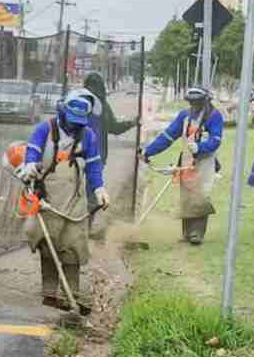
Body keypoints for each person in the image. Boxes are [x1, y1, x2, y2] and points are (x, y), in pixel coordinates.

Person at [15, 90, 109, 318]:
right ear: (63, 111)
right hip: (46, 195)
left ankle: (72, 295)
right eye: (72, 121)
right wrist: (29, 167)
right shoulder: (44, 130)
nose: (75, 127)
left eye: (80, 123)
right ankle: (49, 293)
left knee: (74, 244)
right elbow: (33, 152)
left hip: (73, 196)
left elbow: (94, 165)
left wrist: (99, 189)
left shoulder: (88, 136)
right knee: (48, 242)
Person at [141, 87, 224, 244]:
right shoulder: (184, 116)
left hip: (204, 162)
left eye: (198, 103)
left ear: (205, 101)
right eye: (192, 103)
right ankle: (187, 232)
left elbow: (216, 140)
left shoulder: (214, 116)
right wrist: (148, 151)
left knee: (200, 195)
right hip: (186, 160)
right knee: (186, 195)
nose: (194, 107)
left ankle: (197, 233)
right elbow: (168, 136)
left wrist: (201, 147)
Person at [82, 72, 135, 239]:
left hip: (75, 156)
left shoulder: (80, 102)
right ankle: (87, 227)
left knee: (75, 190)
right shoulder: (103, 105)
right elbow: (114, 127)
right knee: (93, 191)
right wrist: (132, 122)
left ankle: (77, 226)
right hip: (97, 156)